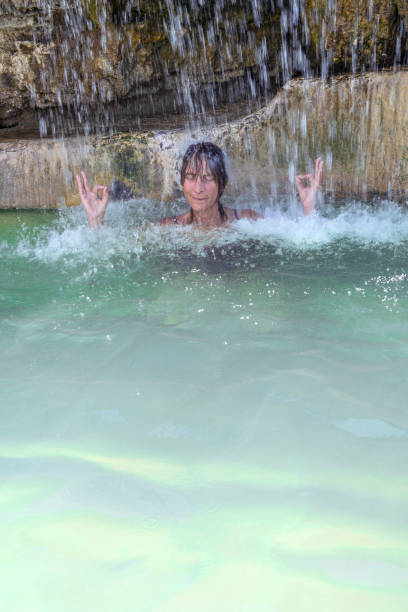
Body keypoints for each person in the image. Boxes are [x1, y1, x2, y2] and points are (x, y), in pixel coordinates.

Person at [76, 141, 323, 229]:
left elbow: (298, 236)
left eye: (207, 178)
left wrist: (309, 207)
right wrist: (95, 221)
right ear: (182, 182)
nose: (198, 188)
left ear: (222, 183)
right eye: (191, 177)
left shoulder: (247, 220)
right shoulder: (168, 228)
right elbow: (115, 248)